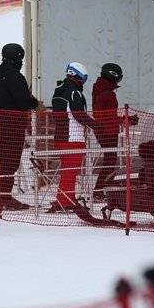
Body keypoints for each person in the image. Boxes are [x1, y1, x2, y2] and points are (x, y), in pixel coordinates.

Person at [0, 43, 39, 211]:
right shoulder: (15, 77)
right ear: (17, 58)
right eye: (20, 58)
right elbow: (22, 101)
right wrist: (36, 103)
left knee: (4, 160)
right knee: (11, 162)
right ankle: (3, 197)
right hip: (12, 124)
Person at [50, 62, 96, 212]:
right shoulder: (74, 92)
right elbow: (79, 115)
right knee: (70, 171)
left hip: (60, 136)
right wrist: (96, 125)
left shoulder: (58, 90)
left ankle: (67, 197)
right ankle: (65, 201)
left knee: (67, 170)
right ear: (80, 76)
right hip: (73, 137)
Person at [91, 63, 137, 189]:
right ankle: (100, 189)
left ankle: (103, 187)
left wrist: (124, 119)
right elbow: (108, 117)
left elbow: (103, 115)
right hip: (108, 131)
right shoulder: (108, 93)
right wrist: (126, 119)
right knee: (110, 159)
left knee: (109, 159)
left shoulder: (98, 89)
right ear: (113, 75)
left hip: (101, 129)